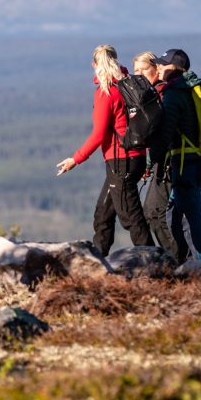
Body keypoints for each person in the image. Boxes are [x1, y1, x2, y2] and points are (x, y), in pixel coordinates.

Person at [56, 45, 152, 256]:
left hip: (121, 162)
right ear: (116, 60)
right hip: (136, 158)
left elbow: (99, 134)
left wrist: (75, 159)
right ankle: (98, 261)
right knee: (104, 213)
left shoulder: (106, 93)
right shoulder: (130, 85)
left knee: (131, 217)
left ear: (94, 65)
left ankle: (154, 265)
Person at [153, 48, 201, 262]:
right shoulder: (192, 88)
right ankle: (188, 264)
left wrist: (151, 159)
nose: (159, 68)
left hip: (185, 165)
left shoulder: (174, 94)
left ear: (175, 68)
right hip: (200, 162)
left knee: (191, 221)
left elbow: (165, 133)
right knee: (174, 215)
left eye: (163, 64)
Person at [132, 51, 180, 260]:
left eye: (144, 69)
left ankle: (176, 262)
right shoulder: (156, 94)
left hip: (171, 159)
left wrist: (149, 164)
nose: (140, 74)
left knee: (155, 212)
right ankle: (175, 259)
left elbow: (162, 134)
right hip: (166, 159)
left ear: (156, 69)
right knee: (158, 212)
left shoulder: (162, 94)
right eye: (136, 71)